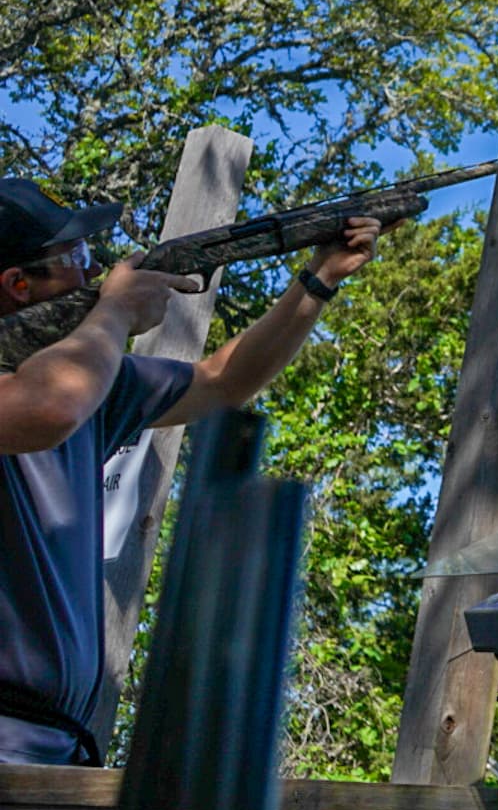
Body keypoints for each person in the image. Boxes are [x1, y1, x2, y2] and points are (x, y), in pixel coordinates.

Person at [0, 177, 386, 767]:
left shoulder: (96, 383)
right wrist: (117, 312)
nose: (94, 271)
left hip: (53, 748)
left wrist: (319, 279)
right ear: (18, 285)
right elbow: (47, 408)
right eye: (73, 260)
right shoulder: (63, 387)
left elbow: (222, 383)